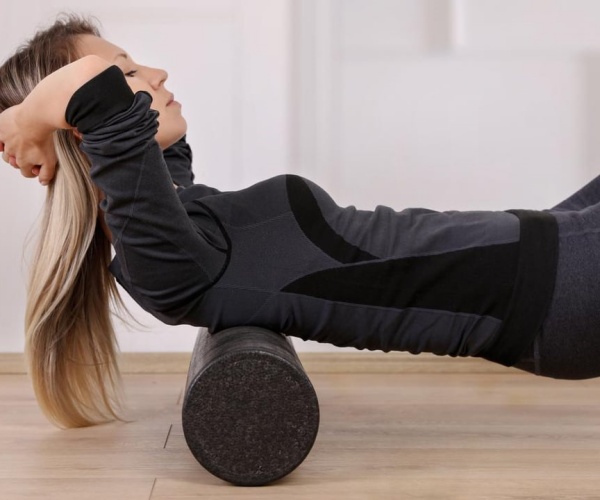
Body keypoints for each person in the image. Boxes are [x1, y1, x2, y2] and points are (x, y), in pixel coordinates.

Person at [0, 15, 598, 429]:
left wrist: (46, 125)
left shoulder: (177, 211)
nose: (154, 73)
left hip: (551, 245)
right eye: (128, 74)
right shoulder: (161, 262)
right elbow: (92, 97)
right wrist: (29, 120)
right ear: (85, 130)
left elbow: (135, 139)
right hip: (556, 292)